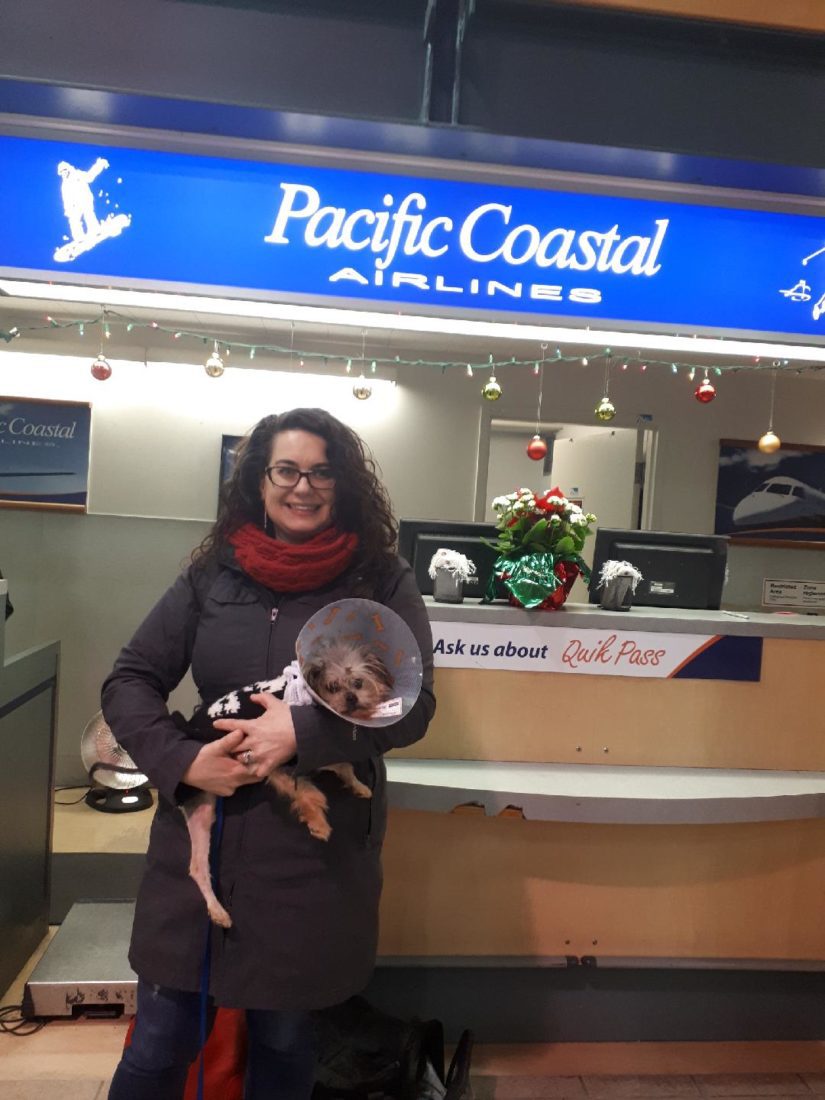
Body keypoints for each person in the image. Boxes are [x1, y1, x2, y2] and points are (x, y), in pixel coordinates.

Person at [102, 408, 435, 1100]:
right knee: (162, 1037)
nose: (302, 487)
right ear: (260, 480)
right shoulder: (213, 575)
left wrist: (303, 735)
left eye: (321, 472)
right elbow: (129, 679)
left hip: (310, 856)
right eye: (286, 470)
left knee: (285, 1042)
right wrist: (181, 762)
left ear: (342, 484)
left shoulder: (380, 580)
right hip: (204, 833)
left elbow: (413, 707)